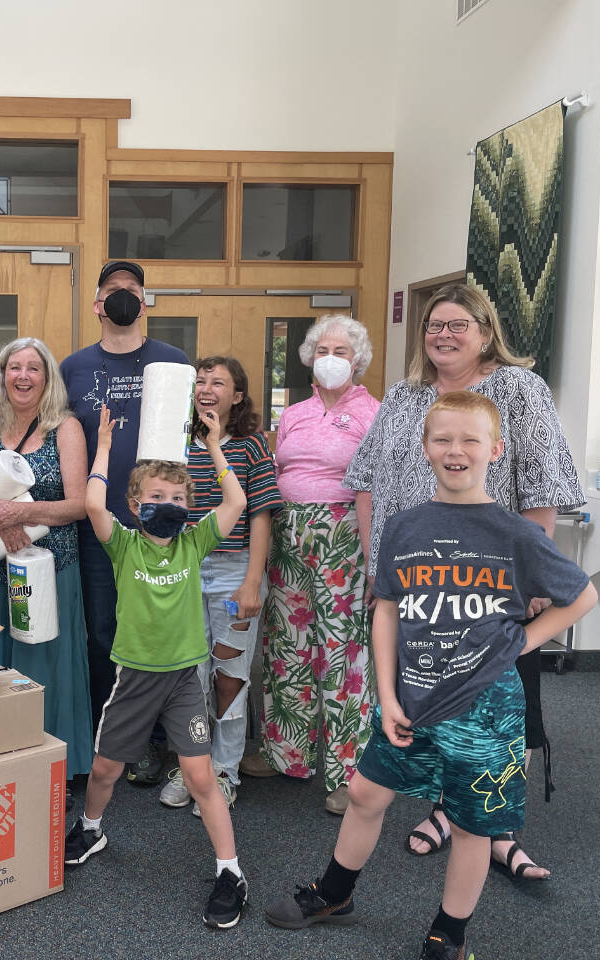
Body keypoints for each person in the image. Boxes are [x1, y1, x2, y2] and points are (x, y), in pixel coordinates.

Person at [265, 391, 597, 960]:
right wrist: (385, 693)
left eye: (470, 439)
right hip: (411, 699)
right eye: (442, 439)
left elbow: (582, 595)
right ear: (424, 448)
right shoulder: (403, 527)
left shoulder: (516, 535)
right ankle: (335, 893)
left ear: (495, 448)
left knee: (471, 825)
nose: (455, 450)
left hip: (485, 707)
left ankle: (450, 932)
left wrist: (521, 640)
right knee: (367, 792)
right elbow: (388, 610)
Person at [345, 283, 584, 879]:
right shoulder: (405, 396)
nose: (443, 335)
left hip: (487, 583)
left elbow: (543, 482)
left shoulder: (517, 390)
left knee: (495, 704)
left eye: (457, 324)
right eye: (433, 325)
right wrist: (377, 562)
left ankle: (496, 828)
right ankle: (443, 808)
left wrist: (532, 571)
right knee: (424, 689)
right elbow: (369, 476)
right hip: (413, 579)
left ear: (485, 330)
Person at [65, 404, 251, 930]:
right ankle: (92, 827)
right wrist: (102, 445)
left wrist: (213, 447)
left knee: (200, 776)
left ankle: (231, 871)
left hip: (183, 682)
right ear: (136, 503)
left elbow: (236, 500)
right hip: (133, 679)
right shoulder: (123, 544)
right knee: (105, 770)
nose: (167, 505)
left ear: (188, 506)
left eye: (176, 498)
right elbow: (92, 504)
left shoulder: (194, 542)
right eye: (156, 498)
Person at [60, 259, 189, 786]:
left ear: (144, 302)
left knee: (157, 634)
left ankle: (156, 741)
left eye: (131, 290)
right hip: (101, 526)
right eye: (113, 291)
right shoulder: (73, 368)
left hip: (162, 527)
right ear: (97, 305)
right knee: (103, 633)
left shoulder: (174, 363)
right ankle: (110, 737)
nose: (122, 298)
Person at [246, 315, 379, 815]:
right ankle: (288, 753)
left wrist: (374, 559)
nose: (330, 358)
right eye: (323, 349)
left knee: (342, 652)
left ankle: (348, 772)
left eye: (341, 351)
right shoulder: (295, 413)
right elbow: (276, 469)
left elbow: (378, 489)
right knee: (287, 643)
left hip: (343, 535)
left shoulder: (373, 413)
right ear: (308, 357)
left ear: (358, 360)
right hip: (288, 535)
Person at [0, 337, 93, 789]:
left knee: (46, 661)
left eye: (34, 368)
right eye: (14, 367)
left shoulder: (65, 427)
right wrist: (2, 517)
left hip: (49, 569)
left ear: (47, 378)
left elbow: (78, 504)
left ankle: (52, 769)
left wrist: (21, 514)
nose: (23, 376)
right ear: (1, 374)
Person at [157, 357, 279, 815]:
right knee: (190, 676)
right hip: (187, 570)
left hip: (234, 573)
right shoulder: (175, 444)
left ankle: (224, 772)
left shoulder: (250, 446)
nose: (206, 389)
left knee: (229, 678)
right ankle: (193, 767)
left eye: (218, 382)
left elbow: (261, 515)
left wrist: (252, 581)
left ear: (238, 395)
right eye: (200, 381)